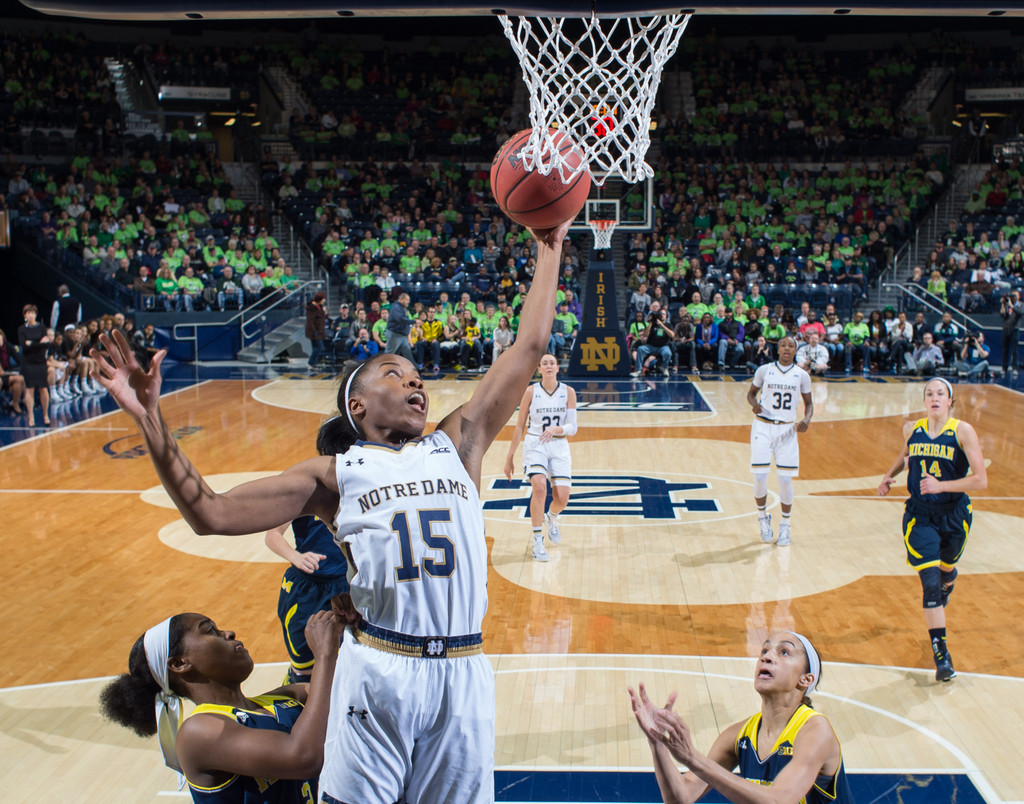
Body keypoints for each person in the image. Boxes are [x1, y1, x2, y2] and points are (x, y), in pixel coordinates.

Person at [89, 219, 572, 804]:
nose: (415, 380)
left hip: (464, 671)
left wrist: (550, 243)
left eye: (416, 374)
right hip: (380, 670)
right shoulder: (333, 475)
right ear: (359, 403)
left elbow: (528, 347)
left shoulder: (458, 444)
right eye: (394, 373)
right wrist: (150, 420)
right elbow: (209, 512)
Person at [99, 609, 342, 803]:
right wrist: (323, 654)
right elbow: (304, 757)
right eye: (210, 631)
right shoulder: (199, 732)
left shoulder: (283, 699)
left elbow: (344, 691)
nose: (229, 632)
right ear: (180, 663)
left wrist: (353, 626)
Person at [628, 631, 853, 804]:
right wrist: (657, 742)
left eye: (783, 652)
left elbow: (779, 800)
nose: (767, 657)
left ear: (805, 679)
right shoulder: (739, 735)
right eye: (765, 651)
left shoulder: (815, 731)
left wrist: (693, 758)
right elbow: (682, 796)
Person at [877, 378, 988, 681]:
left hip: (954, 514)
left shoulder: (962, 431)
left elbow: (981, 480)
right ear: (924, 400)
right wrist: (889, 475)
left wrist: (942, 485)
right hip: (920, 515)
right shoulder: (913, 428)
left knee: (946, 571)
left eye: (941, 393)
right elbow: (906, 454)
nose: (935, 397)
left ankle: (949, 580)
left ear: (950, 401)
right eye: (929, 393)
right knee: (929, 583)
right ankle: (941, 652)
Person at [504, 353, 578, 562]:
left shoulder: (568, 392)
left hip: (559, 444)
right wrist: (510, 456)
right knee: (539, 487)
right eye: (544, 363)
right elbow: (519, 426)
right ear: (538, 369)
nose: (548, 366)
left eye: (551, 363)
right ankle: (537, 541)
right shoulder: (530, 391)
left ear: (557, 368)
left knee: (562, 498)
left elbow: (572, 428)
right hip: (536, 443)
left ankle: (551, 518)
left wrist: (557, 428)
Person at [266, 516, 350, 684]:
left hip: (346, 584)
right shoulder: (303, 493)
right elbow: (272, 535)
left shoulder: (353, 494)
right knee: (303, 667)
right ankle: (297, 698)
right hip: (306, 589)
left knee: (343, 659)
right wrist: (295, 556)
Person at [746, 337, 813, 546]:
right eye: (783, 345)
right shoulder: (764, 370)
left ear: (795, 350)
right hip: (763, 427)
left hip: (787, 430)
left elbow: (809, 404)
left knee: (785, 480)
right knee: (760, 476)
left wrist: (807, 419)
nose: (786, 348)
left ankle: (785, 525)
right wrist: (754, 404)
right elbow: (750, 394)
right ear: (778, 349)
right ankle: (762, 517)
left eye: (791, 346)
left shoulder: (801, 375)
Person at [18, 304, 51, 426]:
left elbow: (46, 344)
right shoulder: (22, 329)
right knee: (29, 389)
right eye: (28, 313)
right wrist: (38, 343)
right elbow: (23, 345)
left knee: (43, 388)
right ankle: (31, 417)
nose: (30, 315)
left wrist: (32, 343)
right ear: (25, 315)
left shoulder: (42, 327)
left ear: (35, 314)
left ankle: (45, 415)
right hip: (28, 363)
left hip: (40, 362)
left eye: (32, 312)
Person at [1000, 290, 1022, 374]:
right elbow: (1002, 315)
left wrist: (1011, 306)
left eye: (1015, 295)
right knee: (1005, 349)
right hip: (1006, 328)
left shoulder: (1020, 305)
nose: (1014, 297)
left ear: (1019, 296)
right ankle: (1004, 367)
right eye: (1012, 296)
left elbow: (1020, 312)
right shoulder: (1007, 305)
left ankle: (1014, 367)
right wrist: (1002, 304)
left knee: (1014, 350)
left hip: (1015, 329)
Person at [305, 291, 328, 369]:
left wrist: (325, 313)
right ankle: (311, 363)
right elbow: (310, 321)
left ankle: (313, 364)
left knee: (316, 347)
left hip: (320, 331)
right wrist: (314, 331)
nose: (324, 301)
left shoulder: (320, 306)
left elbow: (322, 317)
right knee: (319, 347)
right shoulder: (311, 308)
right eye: (323, 299)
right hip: (314, 332)